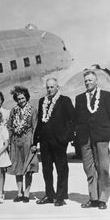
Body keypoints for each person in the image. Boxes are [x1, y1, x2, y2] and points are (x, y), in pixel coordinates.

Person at [75, 70, 110, 210]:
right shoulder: (80, 98)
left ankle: (103, 199)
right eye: (86, 81)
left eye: (90, 80)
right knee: (89, 169)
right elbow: (77, 120)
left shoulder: (105, 96)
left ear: (96, 81)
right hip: (85, 139)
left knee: (103, 168)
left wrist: (107, 134)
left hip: (101, 138)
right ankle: (93, 198)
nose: (88, 83)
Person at [34, 78, 75, 206]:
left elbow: (73, 120)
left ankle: (61, 196)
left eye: (52, 87)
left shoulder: (65, 100)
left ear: (58, 87)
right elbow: (40, 122)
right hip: (45, 142)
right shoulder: (42, 101)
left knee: (61, 169)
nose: (49, 89)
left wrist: (66, 137)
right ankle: (50, 195)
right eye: (48, 87)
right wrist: (35, 141)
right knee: (47, 169)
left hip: (59, 142)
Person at [7, 86, 39, 203]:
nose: (21, 100)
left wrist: (35, 143)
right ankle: (19, 192)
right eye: (18, 99)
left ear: (26, 97)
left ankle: (26, 193)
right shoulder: (13, 111)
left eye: (22, 98)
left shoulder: (33, 110)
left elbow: (35, 127)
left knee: (28, 168)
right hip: (16, 142)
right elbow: (9, 127)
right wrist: (9, 142)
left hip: (28, 141)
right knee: (18, 167)